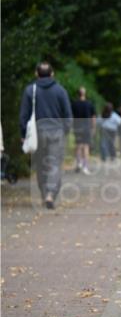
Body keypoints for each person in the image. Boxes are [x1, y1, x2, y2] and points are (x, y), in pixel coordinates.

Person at [19, 61, 72, 209]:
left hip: (37, 133)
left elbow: (24, 115)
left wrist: (24, 134)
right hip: (56, 132)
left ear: (36, 74)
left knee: (40, 165)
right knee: (54, 164)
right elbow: (67, 115)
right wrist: (65, 130)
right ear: (52, 73)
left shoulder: (30, 90)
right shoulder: (60, 90)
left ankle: (44, 193)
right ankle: (50, 194)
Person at [70, 86, 96, 174]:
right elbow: (93, 117)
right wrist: (93, 127)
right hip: (86, 127)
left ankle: (78, 164)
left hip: (77, 126)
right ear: (85, 93)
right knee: (85, 147)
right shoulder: (89, 104)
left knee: (78, 146)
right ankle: (85, 167)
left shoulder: (74, 104)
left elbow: (71, 116)